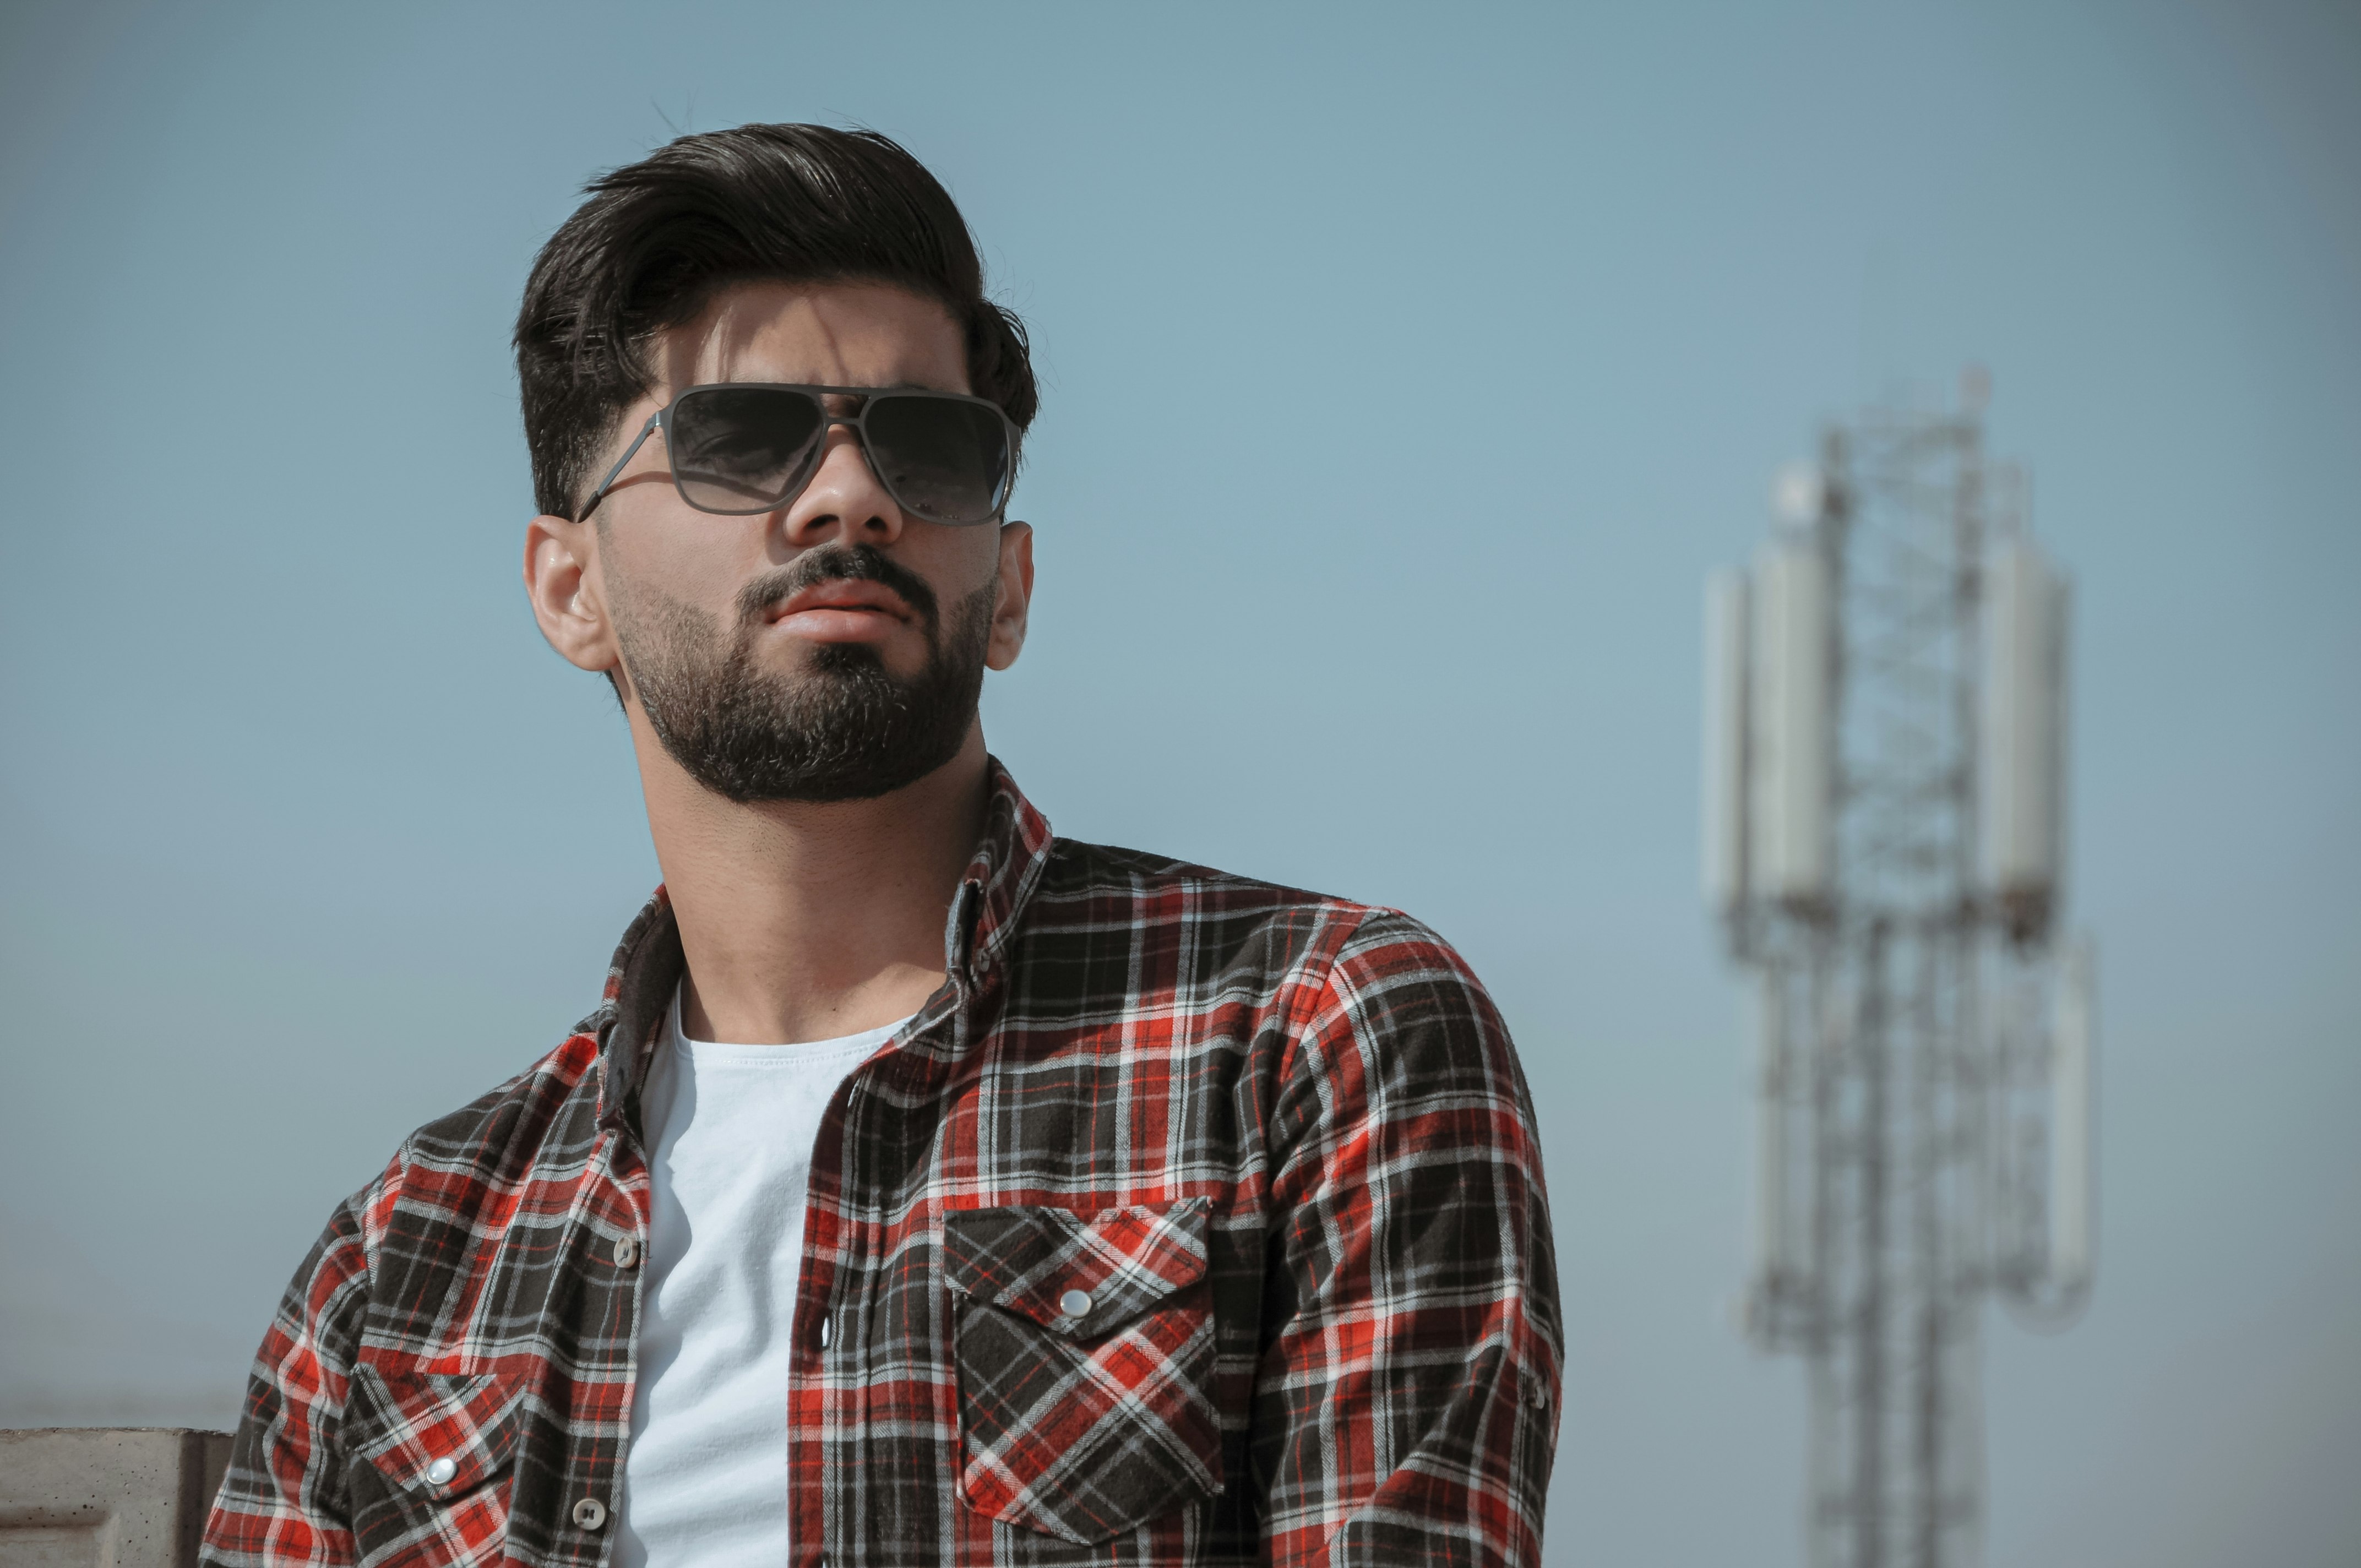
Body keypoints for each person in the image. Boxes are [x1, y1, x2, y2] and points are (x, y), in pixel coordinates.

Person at [204, 123, 1559, 1568]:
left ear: (1012, 584)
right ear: (568, 585)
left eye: (925, 444)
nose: (853, 496)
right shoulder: (402, 1266)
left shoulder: (1315, 1039)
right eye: (737, 440)